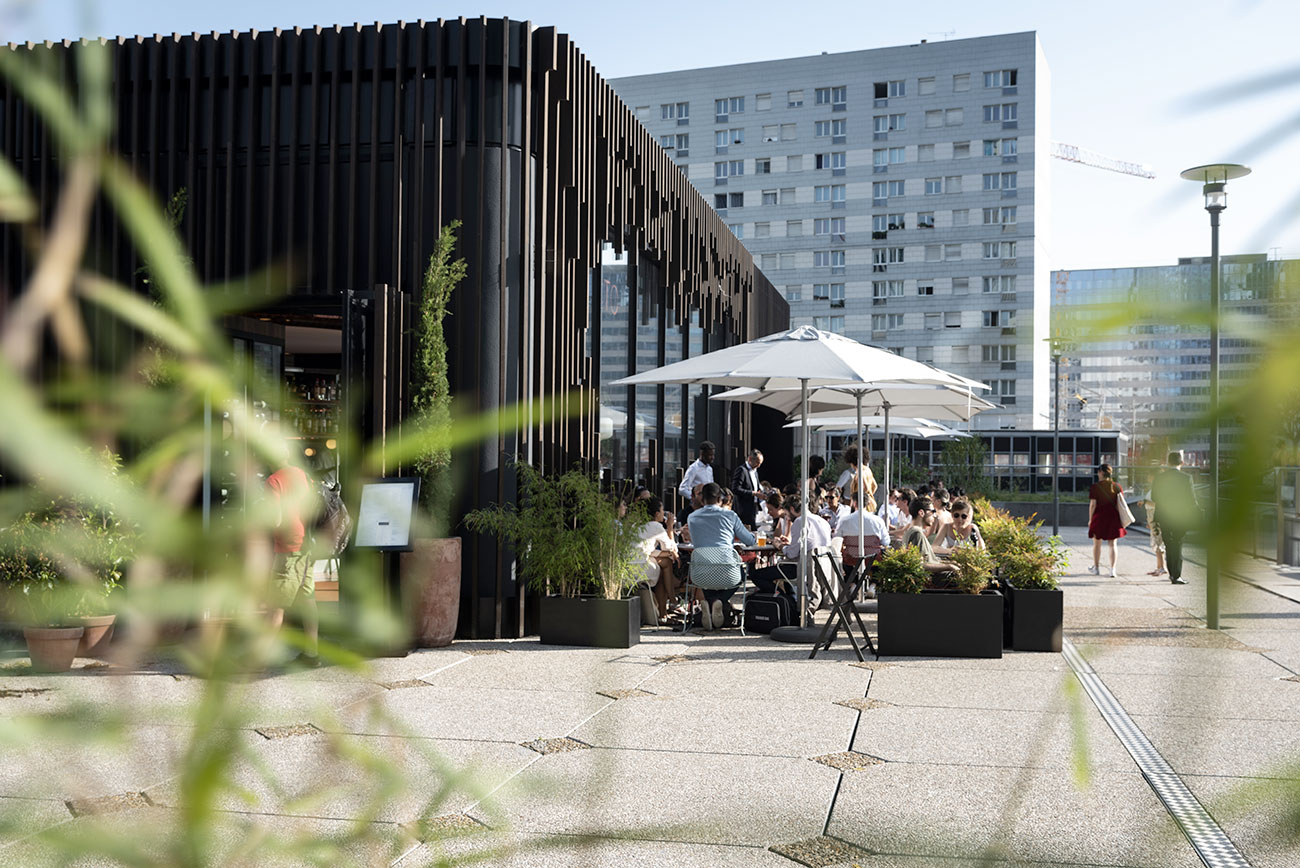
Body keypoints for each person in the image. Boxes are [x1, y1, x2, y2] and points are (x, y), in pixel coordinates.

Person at [267, 449, 319, 666]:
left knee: (276, 604)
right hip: (307, 544)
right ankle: (312, 653)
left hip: (288, 547)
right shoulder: (302, 474)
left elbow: (276, 519)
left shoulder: (273, 481)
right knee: (307, 599)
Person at [685, 482, 754, 630]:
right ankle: (718, 601)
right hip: (728, 572)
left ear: (702, 499)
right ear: (721, 499)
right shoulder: (730, 515)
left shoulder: (691, 517)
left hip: (700, 574)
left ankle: (708, 604)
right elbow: (749, 541)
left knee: (709, 572)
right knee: (742, 573)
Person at [751, 494, 832, 604]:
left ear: (792, 509)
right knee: (783, 574)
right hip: (823, 567)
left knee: (756, 575)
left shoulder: (800, 521)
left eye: (787, 513)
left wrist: (780, 545)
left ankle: (786, 601)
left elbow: (792, 554)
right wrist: (788, 545)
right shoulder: (822, 521)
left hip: (802, 568)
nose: (787, 517)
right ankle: (790, 603)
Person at [1151, 451, 1199, 585]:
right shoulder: (1186, 478)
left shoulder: (1159, 478)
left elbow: (1154, 497)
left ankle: (1172, 574)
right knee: (1178, 544)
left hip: (1163, 515)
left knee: (1169, 543)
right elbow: (1191, 500)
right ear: (1182, 463)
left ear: (1168, 463)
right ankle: (1176, 575)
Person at [635, 497, 681, 625]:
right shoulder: (655, 526)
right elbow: (671, 546)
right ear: (656, 514)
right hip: (640, 568)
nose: (663, 514)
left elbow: (646, 550)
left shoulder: (635, 526)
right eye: (662, 511)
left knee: (665, 563)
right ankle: (670, 603)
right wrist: (670, 528)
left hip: (628, 568)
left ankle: (665, 610)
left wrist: (668, 554)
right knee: (663, 569)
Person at [901, 496, 956, 580]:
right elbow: (919, 565)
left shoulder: (912, 532)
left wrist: (950, 563)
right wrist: (949, 566)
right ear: (921, 513)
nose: (935, 515)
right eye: (932, 511)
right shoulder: (916, 534)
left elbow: (930, 560)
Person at [1088, 463, 1126, 577]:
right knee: (1113, 544)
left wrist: (1090, 519)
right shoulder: (1117, 486)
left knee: (1097, 544)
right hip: (1113, 517)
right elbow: (1121, 504)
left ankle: (1096, 568)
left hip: (1099, 517)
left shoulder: (1095, 487)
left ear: (1100, 472)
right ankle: (1112, 569)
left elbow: (1093, 505)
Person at [834, 446, 878, 513]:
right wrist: (870, 494)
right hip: (870, 503)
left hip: (860, 505)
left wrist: (862, 497)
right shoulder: (868, 470)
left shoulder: (859, 472)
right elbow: (875, 486)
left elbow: (865, 487)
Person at [730, 449, 765, 529]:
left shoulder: (755, 472)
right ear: (749, 459)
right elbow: (735, 489)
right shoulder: (742, 470)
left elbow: (756, 487)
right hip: (742, 509)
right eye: (757, 462)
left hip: (753, 508)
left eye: (760, 463)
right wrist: (753, 493)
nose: (759, 465)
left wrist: (761, 493)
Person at [1143, 486, 1167, 577]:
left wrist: (1145, 501)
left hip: (1156, 521)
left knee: (1158, 543)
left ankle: (1162, 568)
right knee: (1155, 543)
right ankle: (1159, 567)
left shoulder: (1159, 490)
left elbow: (1158, 505)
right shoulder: (1153, 490)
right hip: (1152, 519)